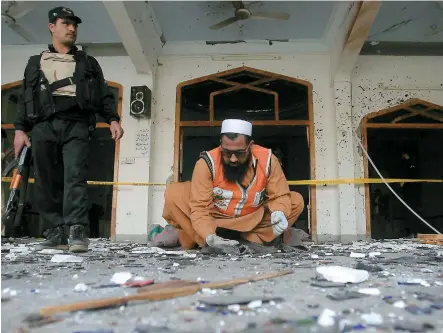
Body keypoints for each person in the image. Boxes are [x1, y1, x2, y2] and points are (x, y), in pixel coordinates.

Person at [13, 6, 124, 252]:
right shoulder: (35, 62)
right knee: (45, 180)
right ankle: (54, 232)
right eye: (66, 23)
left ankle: (76, 231)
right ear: (52, 27)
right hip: (43, 126)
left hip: (77, 124)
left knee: (75, 177)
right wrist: (20, 130)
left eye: (74, 24)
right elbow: (24, 98)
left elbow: (104, 94)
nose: (72, 29)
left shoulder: (88, 62)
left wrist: (113, 119)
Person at [161, 119, 304, 249]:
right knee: (174, 193)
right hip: (214, 219)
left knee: (295, 201)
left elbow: (280, 195)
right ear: (221, 146)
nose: (233, 159)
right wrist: (208, 235)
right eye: (227, 153)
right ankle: (208, 241)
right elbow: (199, 207)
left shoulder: (268, 160)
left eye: (240, 153)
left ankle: (252, 239)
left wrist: (279, 211)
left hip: (252, 222)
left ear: (250, 146)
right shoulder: (206, 163)